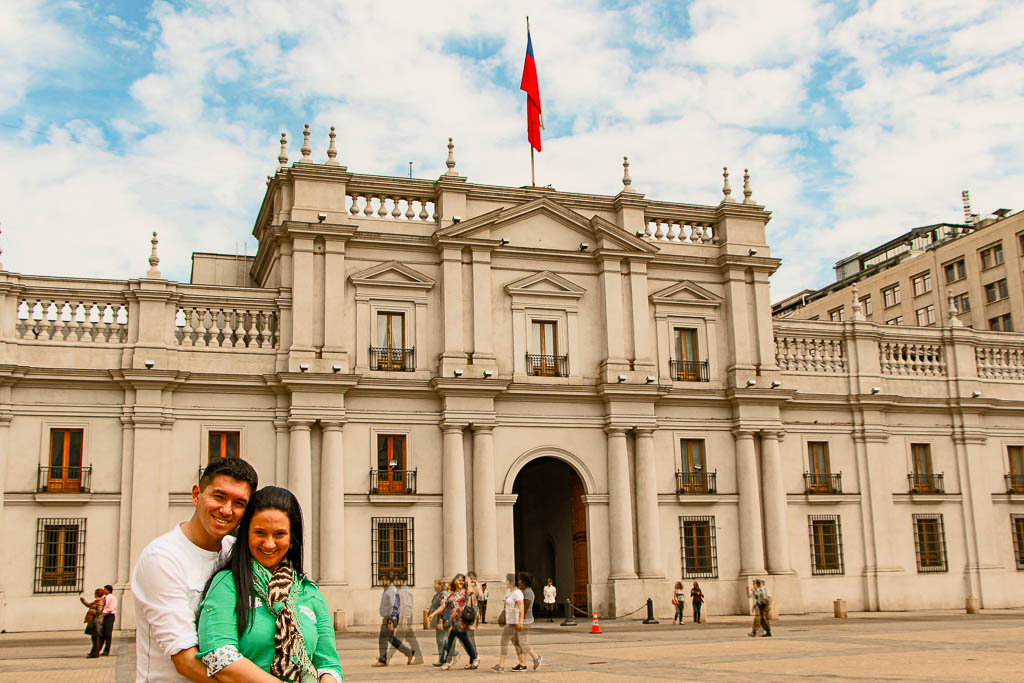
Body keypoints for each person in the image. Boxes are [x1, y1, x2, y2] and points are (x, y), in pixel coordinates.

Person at [196, 486, 343, 681]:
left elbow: (328, 664)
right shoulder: (227, 585)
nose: (269, 544)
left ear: (292, 538)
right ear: (246, 534)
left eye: (279, 534)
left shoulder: (310, 593)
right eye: (260, 533)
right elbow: (220, 657)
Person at [132, 457, 258, 682]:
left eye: (239, 503)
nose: (226, 510)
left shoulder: (235, 552)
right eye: (219, 497)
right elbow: (186, 660)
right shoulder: (162, 558)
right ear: (196, 495)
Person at [428, 573, 479, 670]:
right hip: (454, 621)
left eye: (462, 580)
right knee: (464, 641)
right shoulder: (451, 594)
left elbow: (470, 592)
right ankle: (474, 658)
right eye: (459, 579)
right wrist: (434, 614)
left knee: (453, 640)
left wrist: (468, 584)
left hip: (461, 622)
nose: (461, 581)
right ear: (454, 581)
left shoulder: (465, 592)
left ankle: (448, 662)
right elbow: (444, 606)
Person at [373, 573, 415, 666]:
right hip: (388, 617)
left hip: (389, 617)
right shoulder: (387, 590)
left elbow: (394, 606)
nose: (381, 582)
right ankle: (408, 652)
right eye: (380, 580)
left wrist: (391, 620)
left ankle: (383, 659)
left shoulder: (391, 591)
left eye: (383, 580)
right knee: (391, 638)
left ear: (388, 581)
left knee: (383, 638)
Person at [492, 573, 525, 673]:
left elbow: (521, 607)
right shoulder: (510, 592)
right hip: (510, 620)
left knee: (503, 641)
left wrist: (520, 621)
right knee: (517, 643)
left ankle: (501, 665)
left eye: (506, 580)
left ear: (510, 582)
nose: (505, 582)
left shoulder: (517, 593)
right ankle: (523, 664)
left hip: (513, 622)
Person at [516, 573, 542, 670]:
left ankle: (536, 657)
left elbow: (525, 607)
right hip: (525, 619)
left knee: (521, 642)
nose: (518, 581)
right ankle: (523, 664)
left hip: (525, 620)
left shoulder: (527, 592)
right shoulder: (524, 591)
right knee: (523, 641)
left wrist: (519, 620)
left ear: (524, 581)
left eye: (519, 580)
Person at [395, 574, 423, 664]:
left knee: (396, 639)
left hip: (405, 617)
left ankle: (386, 658)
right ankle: (418, 657)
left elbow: (407, 605)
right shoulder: (401, 590)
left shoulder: (405, 591)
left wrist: (405, 619)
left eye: (396, 580)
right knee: (411, 639)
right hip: (403, 617)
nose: (394, 582)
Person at [79, 588, 106, 658]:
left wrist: (91, 611)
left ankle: (95, 653)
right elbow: (88, 605)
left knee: (96, 638)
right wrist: (82, 599)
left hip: (96, 620)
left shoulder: (100, 601)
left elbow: (99, 611)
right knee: (94, 637)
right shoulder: (97, 601)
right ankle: (93, 652)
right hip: (93, 620)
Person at [99, 583, 117, 655]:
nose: (104, 590)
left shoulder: (112, 598)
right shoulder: (105, 597)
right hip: (105, 616)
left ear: (109, 590)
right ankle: (99, 649)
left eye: (105, 589)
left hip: (109, 616)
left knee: (107, 634)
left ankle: (107, 650)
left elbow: (111, 608)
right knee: (102, 633)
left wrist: (103, 612)